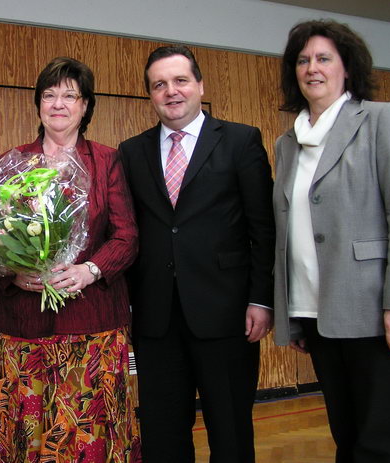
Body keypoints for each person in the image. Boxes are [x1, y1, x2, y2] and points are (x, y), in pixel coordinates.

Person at [119, 45, 275, 462]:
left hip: (227, 313)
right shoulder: (131, 152)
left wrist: (261, 298)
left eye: (180, 80)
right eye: (159, 84)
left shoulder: (241, 141)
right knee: (162, 431)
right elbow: (129, 232)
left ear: (200, 85)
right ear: (150, 94)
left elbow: (263, 228)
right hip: (156, 318)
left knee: (230, 430)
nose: (171, 91)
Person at [0, 57, 141, 463]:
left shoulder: (107, 160)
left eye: (70, 95)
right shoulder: (14, 161)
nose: (59, 103)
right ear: (38, 104)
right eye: (50, 95)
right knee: (29, 429)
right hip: (24, 324)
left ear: (86, 105)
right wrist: (13, 270)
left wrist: (88, 270)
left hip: (93, 324)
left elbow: (126, 236)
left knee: (89, 430)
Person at [273, 19, 390, 463]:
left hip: (372, 310)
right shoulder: (286, 143)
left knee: (383, 441)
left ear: (346, 67)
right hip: (316, 311)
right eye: (303, 59)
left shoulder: (380, 118)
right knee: (345, 436)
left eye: (323, 58)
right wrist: (292, 314)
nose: (312, 68)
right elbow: (287, 231)